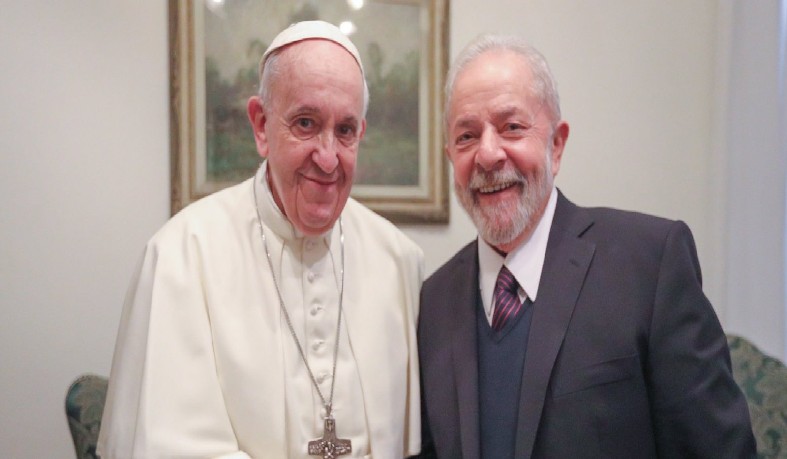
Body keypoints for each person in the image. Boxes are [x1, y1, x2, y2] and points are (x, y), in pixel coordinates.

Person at [414, 34, 756, 458]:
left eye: (512, 127)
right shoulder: (433, 302)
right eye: (467, 136)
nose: (487, 154)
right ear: (451, 157)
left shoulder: (649, 267)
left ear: (556, 145)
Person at [97, 21, 423, 459]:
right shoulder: (180, 257)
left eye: (345, 130)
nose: (328, 158)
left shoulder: (399, 261)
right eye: (305, 123)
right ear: (261, 125)